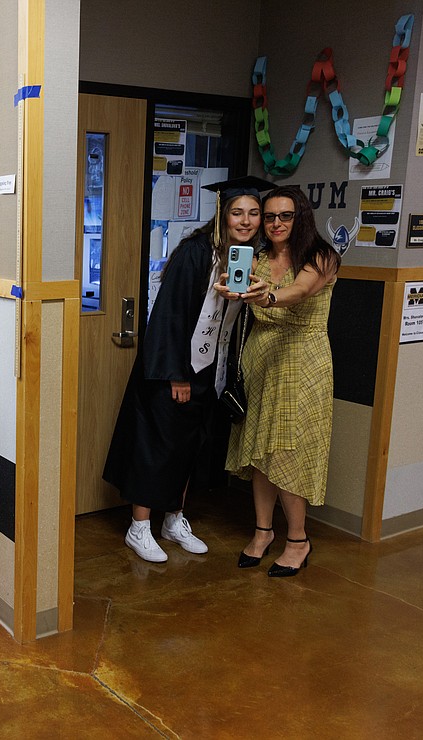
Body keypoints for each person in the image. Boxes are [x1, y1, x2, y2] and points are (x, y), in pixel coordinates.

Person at [103, 176, 272, 563]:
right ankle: (139, 527)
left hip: (209, 371)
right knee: (157, 447)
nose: (245, 221)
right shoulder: (196, 253)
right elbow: (170, 315)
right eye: (237, 212)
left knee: (189, 447)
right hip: (175, 370)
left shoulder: (244, 258)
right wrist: (176, 373)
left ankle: (174, 520)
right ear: (222, 214)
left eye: (253, 213)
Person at [215, 185, 340, 577]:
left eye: (285, 215)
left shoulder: (322, 256)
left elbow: (299, 291)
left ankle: (298, 539)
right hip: (261, 358)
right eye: (269, 217)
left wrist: (267, 297)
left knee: (287, 451)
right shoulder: (258, 257)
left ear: (301, 216)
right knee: (259, 452)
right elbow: (238, 294)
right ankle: (263, 531)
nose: (275, 223)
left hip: (302, 360)